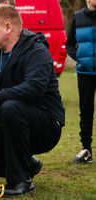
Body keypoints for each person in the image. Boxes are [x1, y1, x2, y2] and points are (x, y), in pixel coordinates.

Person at [0, 5, 65, 197]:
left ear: (8, 27)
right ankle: (26, 166)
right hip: (9, 120)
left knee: (11, 106)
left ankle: (20, 182)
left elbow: (33, 88)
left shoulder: (37, 51)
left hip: (45, 126)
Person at [66, 0, 96, 164]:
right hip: (85, 73)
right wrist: (81, 59)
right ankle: (86, 150)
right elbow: (69, 44)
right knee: (86, 112)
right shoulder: (77, 17)